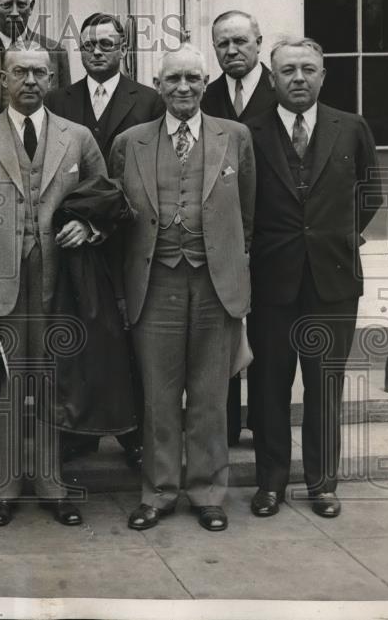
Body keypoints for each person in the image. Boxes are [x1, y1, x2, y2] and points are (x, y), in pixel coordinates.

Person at [0, 45, 103, 528]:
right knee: (8, 386)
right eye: (20, 72)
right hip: (0, 281)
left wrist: (92, 228)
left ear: (54, 77)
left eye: (40, 72)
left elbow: (106, 198)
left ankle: (53, 484)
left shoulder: (77, 137)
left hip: (61, 281)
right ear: (2, 79)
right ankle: (7, 487)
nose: (30, 80)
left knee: (53, 382)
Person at [109, 44, 254, 532]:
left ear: (206, 82)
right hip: (155, 282)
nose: (184, 88)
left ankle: (209, 492)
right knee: (159, 396)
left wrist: (229, 261)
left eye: (193, 78)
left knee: (211, 395)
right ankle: (159, 491)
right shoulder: (130, 142)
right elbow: (117, 218)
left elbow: (247, 215)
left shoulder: (235, 137)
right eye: (173, 79)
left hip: (216, 283)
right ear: (158, 84)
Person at [245, 37, 382, 519]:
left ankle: (323, 485)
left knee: (325, 384)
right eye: (287, 71)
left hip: (333, 281)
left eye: (308, 69)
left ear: (323, 76)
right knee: (268, 386)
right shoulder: (249, 131)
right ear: (271, 77)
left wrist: (334, 239)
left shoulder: (352, 127)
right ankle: (270, 485)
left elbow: (370, 196)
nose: (298, 78)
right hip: (270, 282)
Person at [45, 11, 164, 467]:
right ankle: (82, 431)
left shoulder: (150, 100)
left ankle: (134, 433)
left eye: (106, 44)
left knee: (133, 336)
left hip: (130, 236)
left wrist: (103, 223)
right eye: (89, 44)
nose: (96, 51)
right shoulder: (58, 99)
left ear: (124, 50)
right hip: (72, 238)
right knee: (84, 336)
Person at [201, 9, 278, 446]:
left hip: (271, 237)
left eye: (239, 42)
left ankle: (264, 425)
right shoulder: (205, 94)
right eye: (222, 44)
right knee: (222, 333)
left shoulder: (281, 90)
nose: (231, 50)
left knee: (265, 334)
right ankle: (225, 428)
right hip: (221, 238)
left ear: (258, 41)